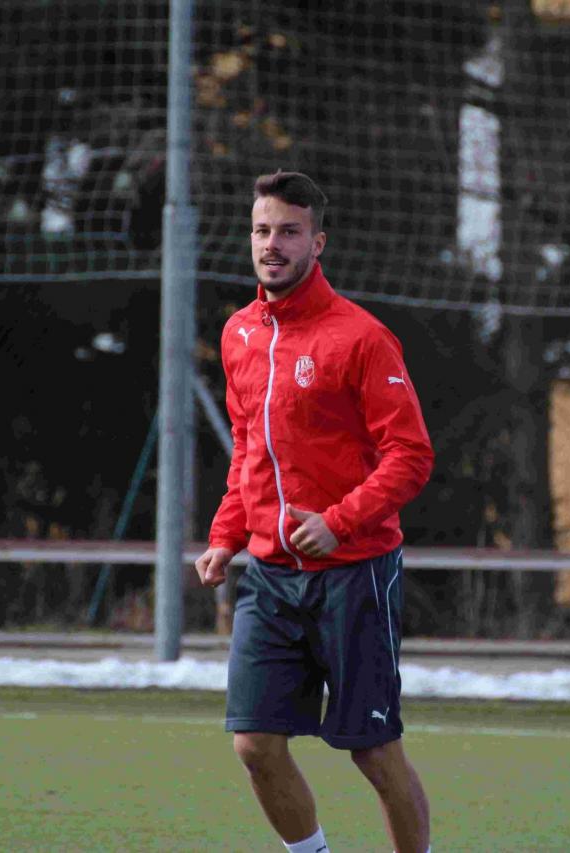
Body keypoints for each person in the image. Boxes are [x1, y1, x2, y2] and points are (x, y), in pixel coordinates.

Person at [194, 171, 434, 853]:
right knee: (254, 743)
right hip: (269, 578)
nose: (272, 244)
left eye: (289, 232)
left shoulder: (361, 337)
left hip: (355, 573)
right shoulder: (239, 334)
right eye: (262, 230)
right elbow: (249, 448)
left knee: (373, 751)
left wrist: (339, 521)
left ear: (317, 242)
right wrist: (226, 535)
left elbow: (411, 454)